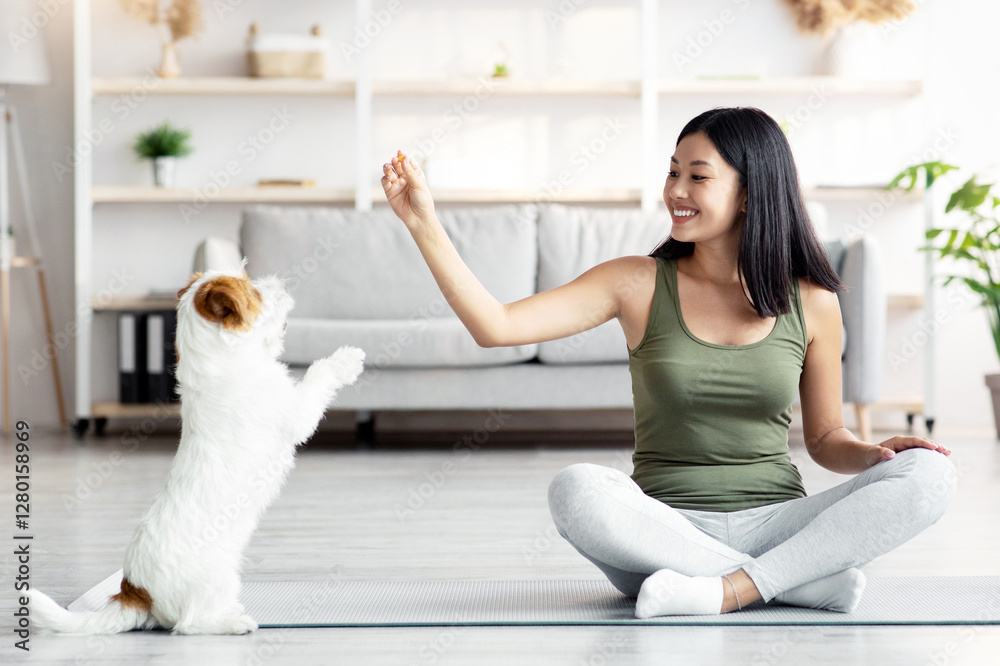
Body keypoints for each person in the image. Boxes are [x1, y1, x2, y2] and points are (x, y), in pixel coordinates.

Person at [380, 106, 956, 617]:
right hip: (662, 532)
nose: (676, 189)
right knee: (576, 489)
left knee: (932, 474)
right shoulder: (636, 282)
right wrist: (423, 222)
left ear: (753, 192)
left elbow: (826, 437)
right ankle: (788, 584)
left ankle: (726, 589)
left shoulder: (812, 302)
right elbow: (496, 326)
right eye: (672, 171)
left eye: (697, 176)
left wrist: (875, 455)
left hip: (777, 524)